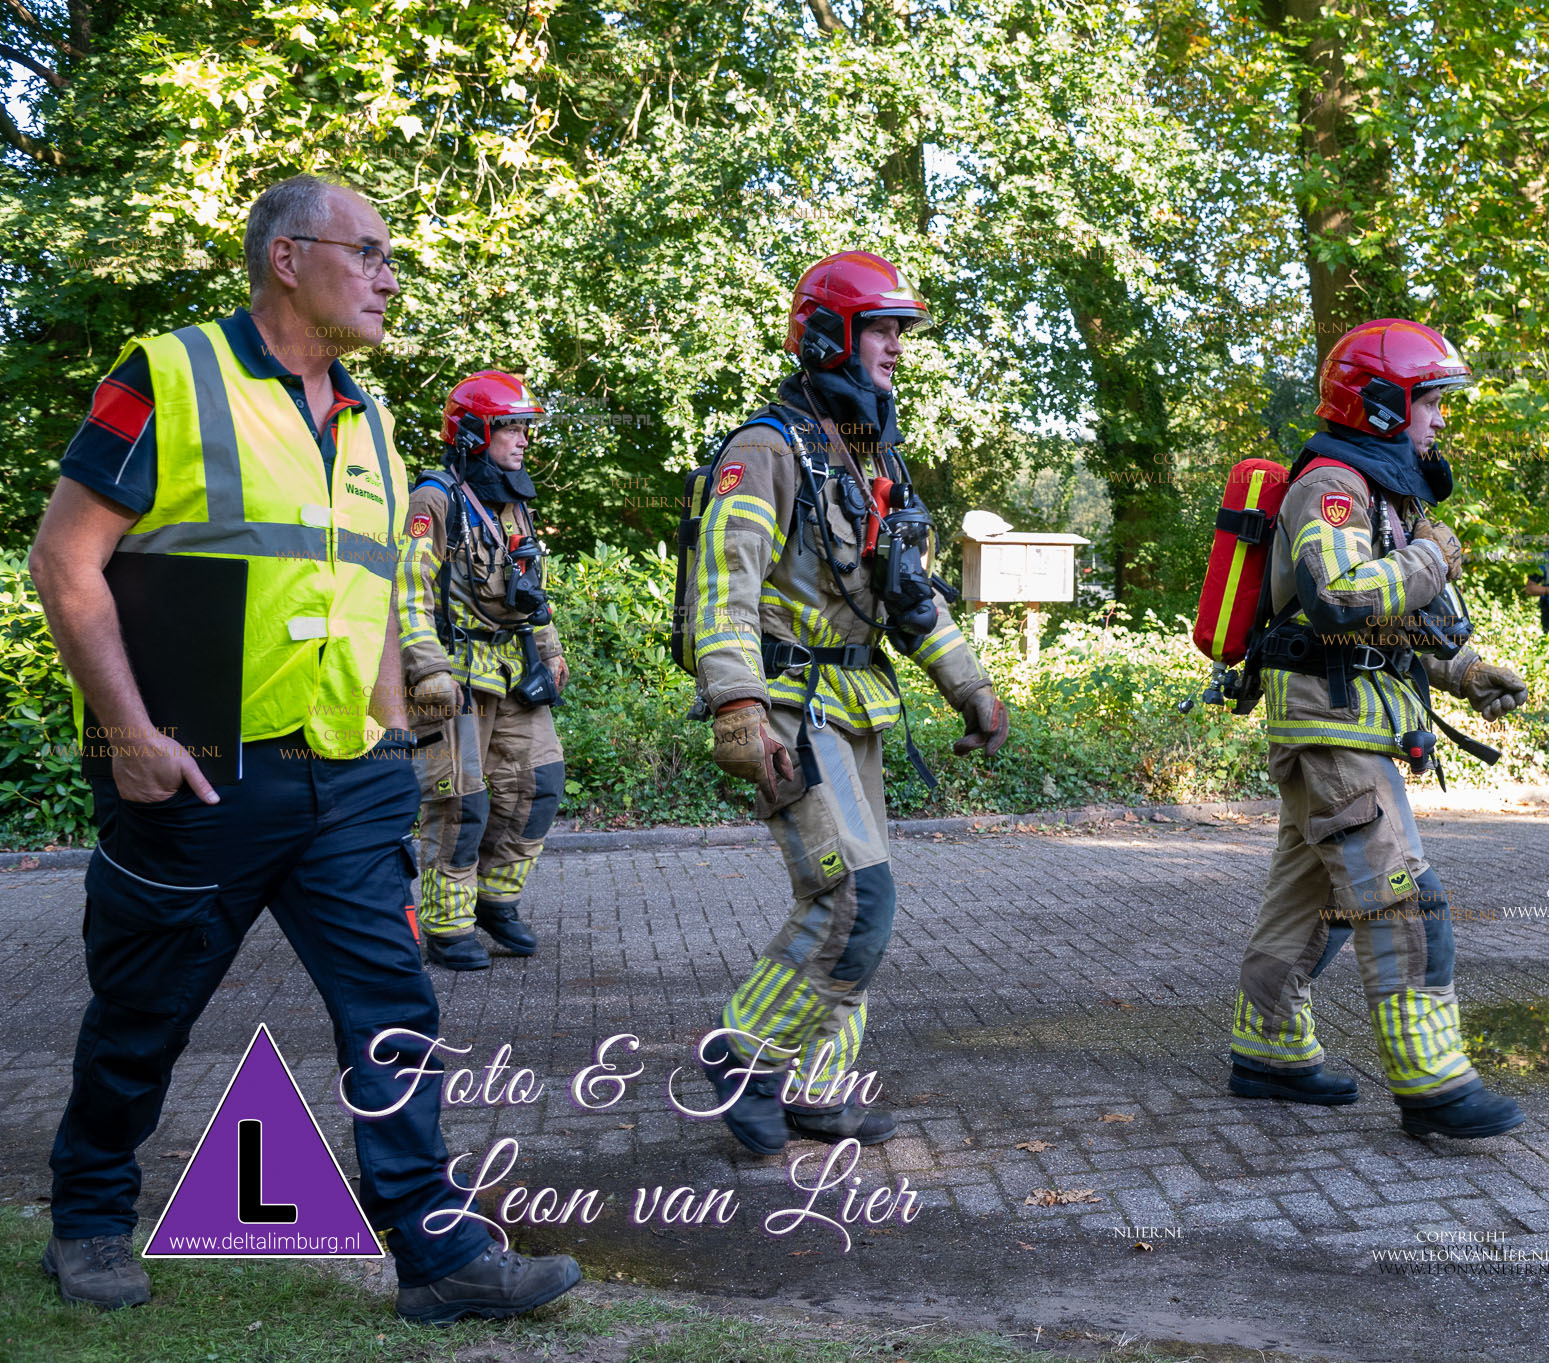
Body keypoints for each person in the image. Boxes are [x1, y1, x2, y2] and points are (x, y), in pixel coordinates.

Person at [26, 174, 580, 1320]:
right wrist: (130, 736)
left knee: (396, 1012)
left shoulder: (371, 416)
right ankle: (86, 1214)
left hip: (349, 780)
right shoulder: (169, 373)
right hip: (199, 772)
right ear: (288, 257)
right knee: (144, 1012)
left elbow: (372, 588)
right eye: (369, 252)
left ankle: (436, 1254)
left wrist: (387, 738)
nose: (387, 276)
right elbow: (64, 559)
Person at [678, 251, 1007, 1155]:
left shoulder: (873, 459)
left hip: (861, 709)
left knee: (859, 905)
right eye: (881, 329)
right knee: (855, 898)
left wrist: (969, 685)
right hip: (790, 705)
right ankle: (740, 1054)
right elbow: (724, 585)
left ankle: (821, 1092)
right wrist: (737, 703)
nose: (897, 347)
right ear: (829, 336)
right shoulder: (766, 448)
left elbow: (910, 596)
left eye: (902, 330)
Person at [1226, 318, 1531, 1140]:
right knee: (1402, 898)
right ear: (1385, 406)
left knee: (1311, 901)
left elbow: (1381, 632)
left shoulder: (1384, 490)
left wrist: (1464, 673)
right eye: (1429, 400)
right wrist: (1433, 557)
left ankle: (1269, 1047)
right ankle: (1432, 1080)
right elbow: (1340, 597)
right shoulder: (1332, 484)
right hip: (1334, 729)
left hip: (1346, 723)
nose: (1440, 419)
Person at [397, 372, 569, 970]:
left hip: (512, 669)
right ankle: (447, 927)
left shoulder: (511, 500)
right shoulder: (435, 499)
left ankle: (496, 899)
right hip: (455, 680)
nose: (523, 439)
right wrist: (426, 670)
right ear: (473, 432)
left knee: (538, 784)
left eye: (526, 427)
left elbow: (529, 589)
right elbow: (411, 590)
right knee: (460, 803)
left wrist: (549, 648)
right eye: (510, 427)